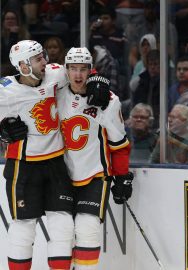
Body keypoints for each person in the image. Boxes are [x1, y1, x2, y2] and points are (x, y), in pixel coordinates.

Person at [0, 40, 110, 270]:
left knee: (63, 225)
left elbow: (79, 68)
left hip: (56, 162)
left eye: (43, 56)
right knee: (23, 227)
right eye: (38, 58)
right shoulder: (6, 90)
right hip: (23, 165)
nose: (45, 61)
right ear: (23, 65)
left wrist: (98, 78)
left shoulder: (55, 74)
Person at [57, 47, 133, 270]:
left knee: (87, 229)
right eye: (73, 69)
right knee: (61, 234)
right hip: (60, 175)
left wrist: (122, 176)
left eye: (83, 69)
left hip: (94, 175)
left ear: (91, 70)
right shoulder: (56, 94)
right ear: (66, 70)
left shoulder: (107, 100)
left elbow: (119, 144)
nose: (78, 75)